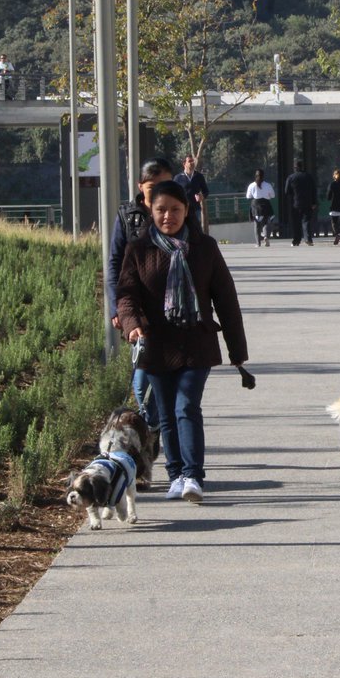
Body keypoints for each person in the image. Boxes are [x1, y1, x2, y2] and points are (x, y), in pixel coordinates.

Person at [116, 179, 248, 504]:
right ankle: (175, 475)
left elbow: (226, 301)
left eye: (175, 210)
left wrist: (237, 351)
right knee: (164, 414)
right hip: (156, 344)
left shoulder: (205, 248)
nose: (168, 217)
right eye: (161, 210)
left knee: (186, 406)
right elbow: (127, 296)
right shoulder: (138, 250)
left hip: (196, 343)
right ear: (150, 209)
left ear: (187, 210)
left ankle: (193, 476)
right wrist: (132, 325)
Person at [107, 157, 174, 434]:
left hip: (174, 311)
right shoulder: (127, 217)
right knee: (142, 382)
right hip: (138, 313)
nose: (159, 191)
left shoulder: (179, 213)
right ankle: (156, 431)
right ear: (140, 187)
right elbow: (113, 264)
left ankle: (164, 433)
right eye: (152, 187)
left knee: (168, 380)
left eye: (165, 185)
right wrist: (116, 308)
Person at [285, 159, 317, 245]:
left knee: (296, 222)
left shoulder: (291, 177)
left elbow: (287, 191)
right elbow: (314, 190)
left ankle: (296, 240)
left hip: (295, 203)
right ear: (302, 167)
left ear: (295, 167)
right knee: (306, 221)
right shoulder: (309, 177)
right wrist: (314, 203)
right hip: (308, 202)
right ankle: (308, 239)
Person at [174, 155, 210, 232]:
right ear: (184, 164)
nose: (192, 163)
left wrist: (201, 196)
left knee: (195, 231)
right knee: (182, 231)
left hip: (195, 209)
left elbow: (206, 191)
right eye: (189, 161)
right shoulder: (178, 178)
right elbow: (172, 193)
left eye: (193, 161)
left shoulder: (199, 176)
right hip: (182, 210)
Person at [245, 169, 275, 247]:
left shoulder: (251, 185)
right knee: (266, 222)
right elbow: (273, 195)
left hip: (256, 206)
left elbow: (248, 196)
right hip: (266, 205)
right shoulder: (268, 185)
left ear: (255, 176)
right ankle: (266, 236)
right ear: (263, 176)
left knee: (257, 224)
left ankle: (258, 243)